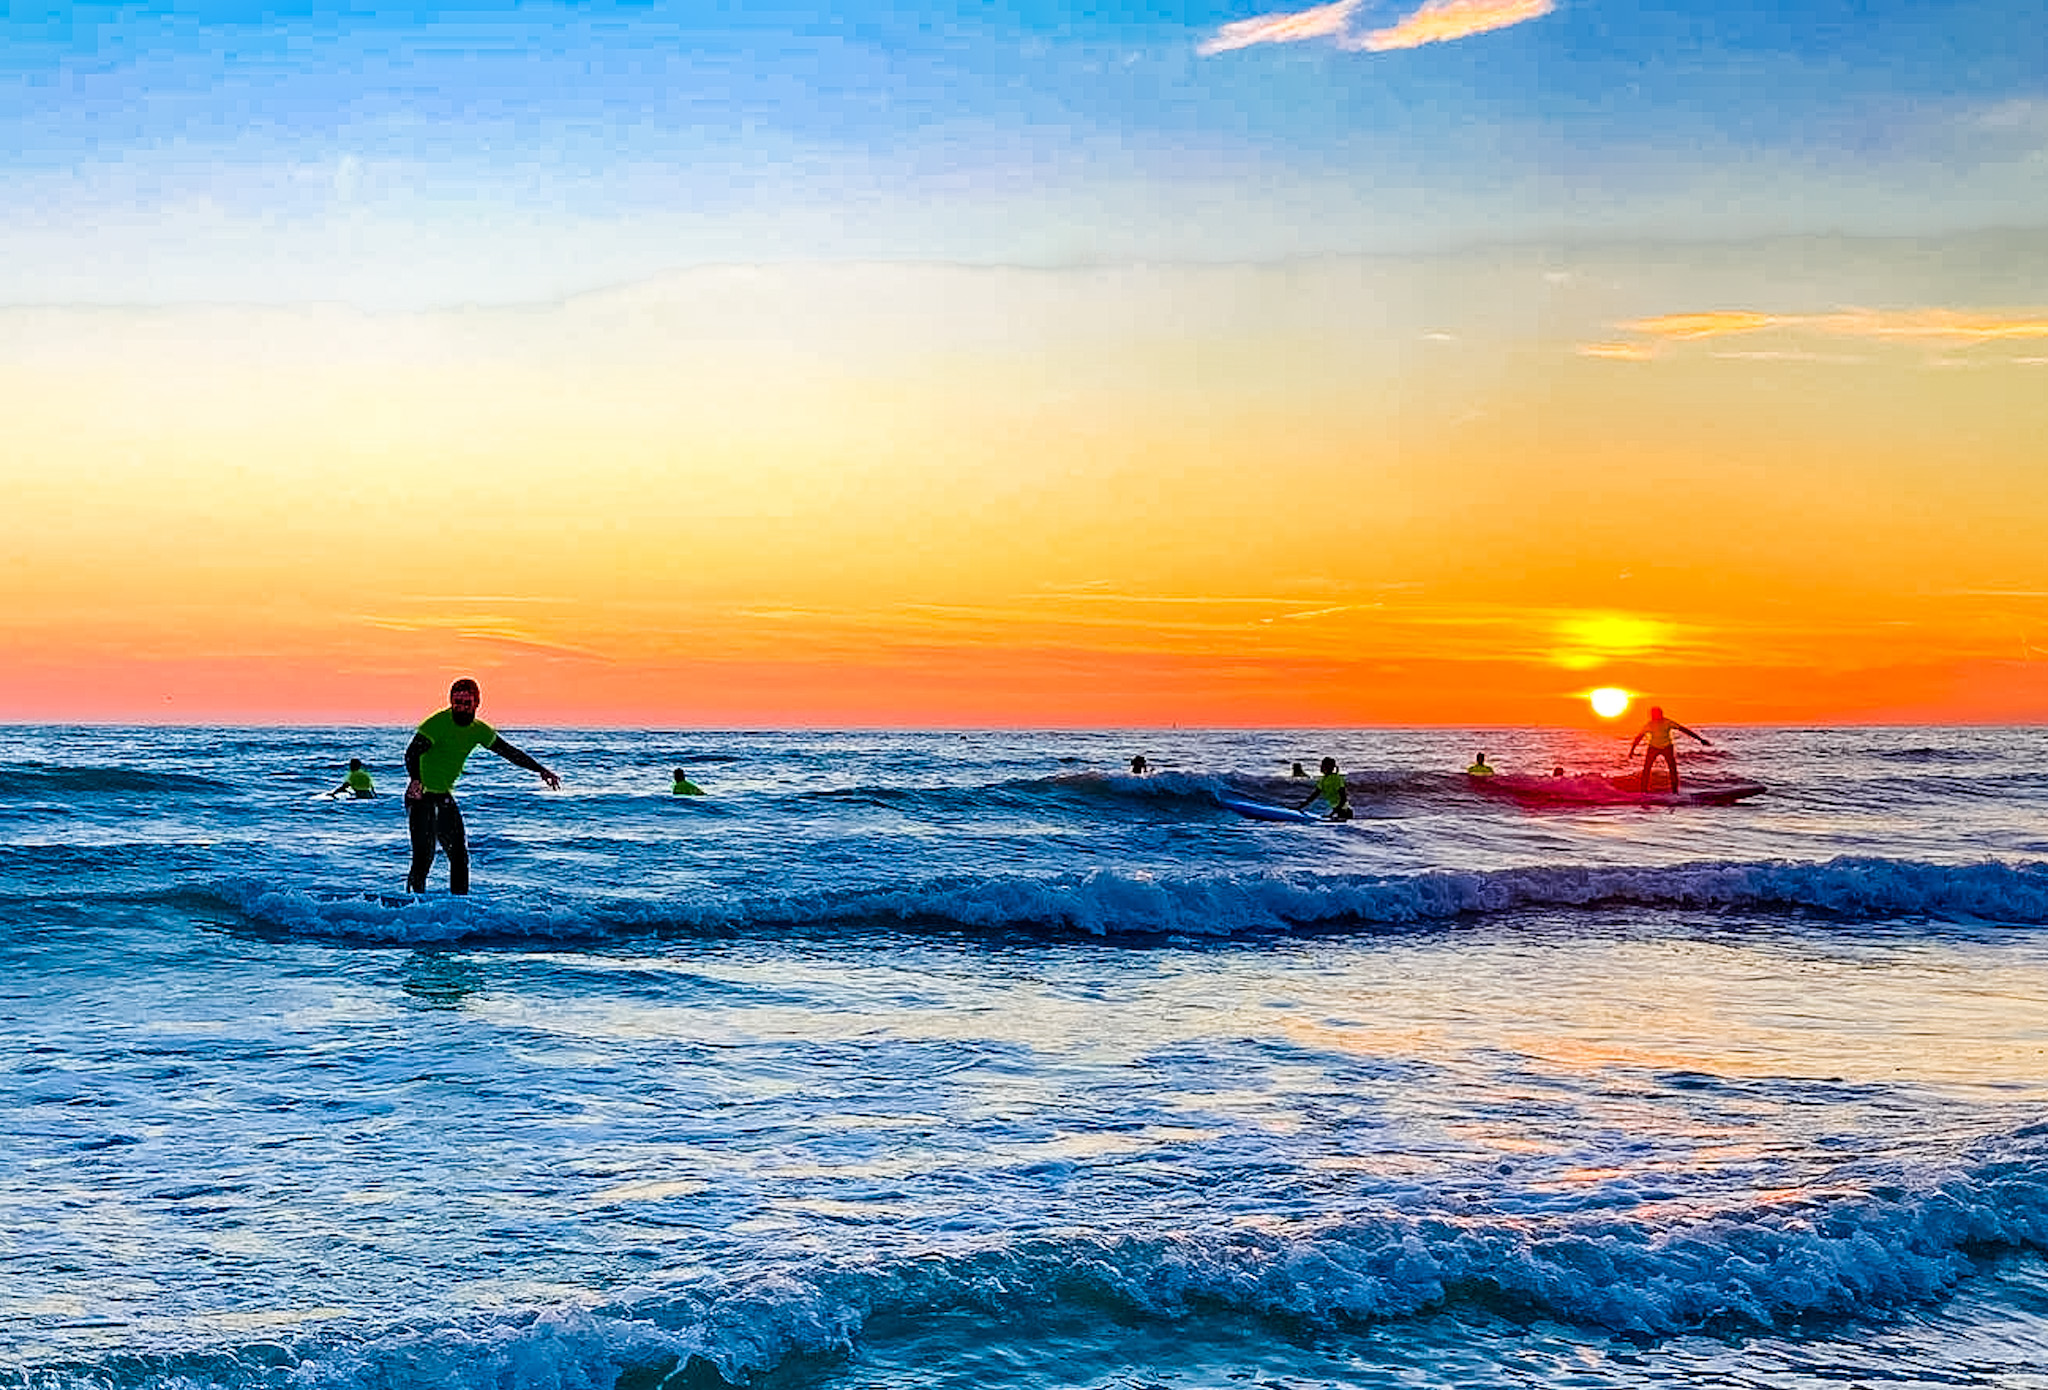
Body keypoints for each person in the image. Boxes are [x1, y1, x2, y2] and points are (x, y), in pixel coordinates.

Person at [403, 678, 560, 895]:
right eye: (457, 702)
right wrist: (416, 780)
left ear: (477, 703)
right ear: (450, 701)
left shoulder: (479, 730)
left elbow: (509, 752)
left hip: (443, 796)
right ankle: (413, 905)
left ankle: (459, 907)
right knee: (424, 857)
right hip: (420, 796)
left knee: (459, 856)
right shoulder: (437, 724)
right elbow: (412, 752)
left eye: (467, 703)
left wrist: (541, 770)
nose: (461, 707)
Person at [1629, 705, 1711, 793]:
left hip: (1667, 747)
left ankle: (1675, 792)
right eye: (1653, 715)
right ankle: (1643, 791)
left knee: (1673, 770)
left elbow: (1684, 730)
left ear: (1660, 714)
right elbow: (1639, 737)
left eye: (1656, 714)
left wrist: (1700, 739)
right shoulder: (1649, 724)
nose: (1654, 716)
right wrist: (1632, 750)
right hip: (1653, 747)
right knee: (1646, 769)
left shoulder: (1667, 722)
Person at [1297, 756, 1352, 820]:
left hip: (1344, 812)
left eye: (1323, 765)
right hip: (1336, 811)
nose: (1320, 767)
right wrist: (1301, 807)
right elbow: (1314, 795)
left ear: (1328, 767)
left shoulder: (1337, 779)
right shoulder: (1323, 779)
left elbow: (1343, 798)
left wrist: (1333, 813)